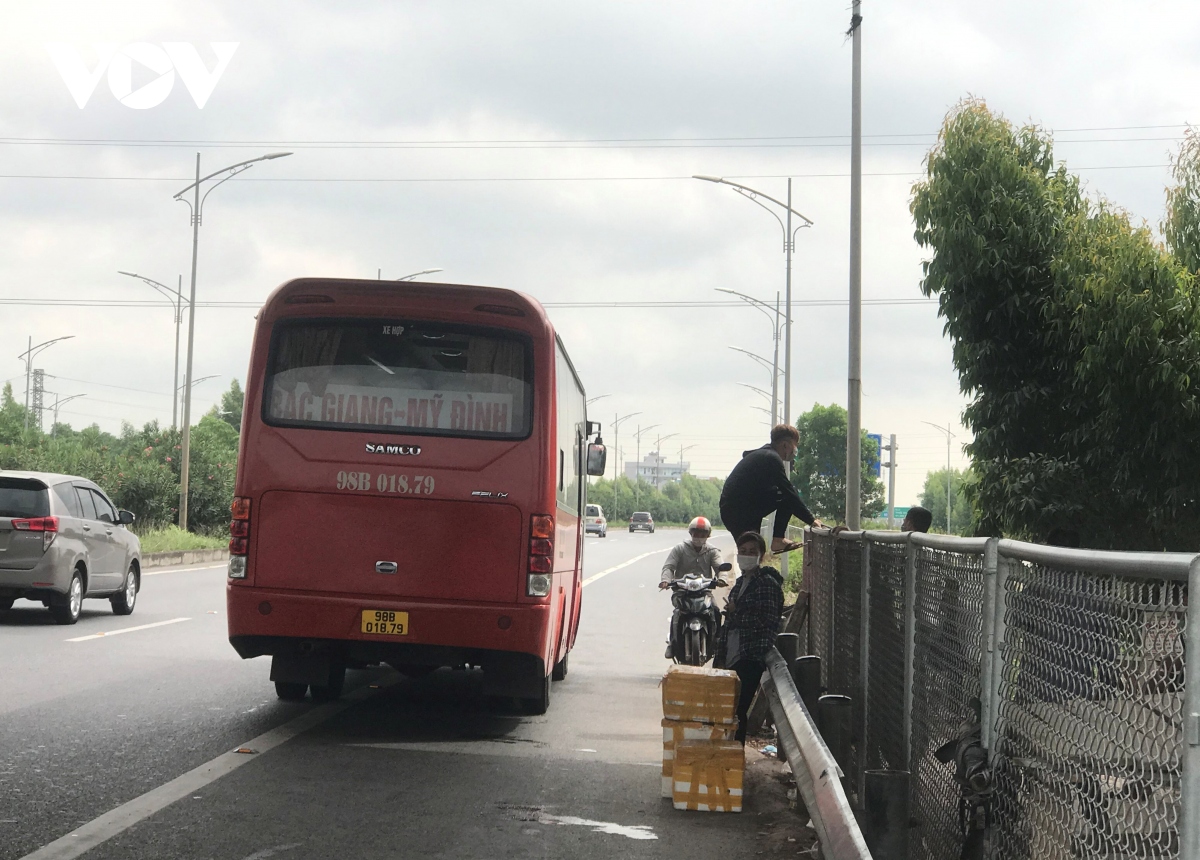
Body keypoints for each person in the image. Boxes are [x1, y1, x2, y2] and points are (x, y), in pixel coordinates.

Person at [715, 531, 784, 744]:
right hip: (732, 653)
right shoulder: (742, 582)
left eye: (752, 552)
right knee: (726, 707)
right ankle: (725, 755)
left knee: (738, 709)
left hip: (750, 655)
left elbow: (767, 620)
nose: (746, 555)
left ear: (761, 556)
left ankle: (735, 756)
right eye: (742, 551)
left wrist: (737, 612)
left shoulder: (767, 584)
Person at [719, 424, 825, 554]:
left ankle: (753, 570)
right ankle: (778, 540)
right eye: (794, 445)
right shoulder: (771, 458)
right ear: (785, 445)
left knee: (753, 553)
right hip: (740, 511)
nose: (795, 450)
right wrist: (811, 520)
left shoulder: (762, 455)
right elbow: (788, 493)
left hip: (738, 509)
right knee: (787, 496)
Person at [660, 516, 726, 658]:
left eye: (702, 534)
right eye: (696, 533)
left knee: (715, 610)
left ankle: (718, 642)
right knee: (678, 612)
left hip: (704, 591)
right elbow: (669, 566)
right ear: (690, 533)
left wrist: (722, 579)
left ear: (708, 535)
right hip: (682, 591)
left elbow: (721, 568)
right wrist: (666, 580)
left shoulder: (712, 551)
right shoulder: (680, 549)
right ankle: (672, 643)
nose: (698, 537)